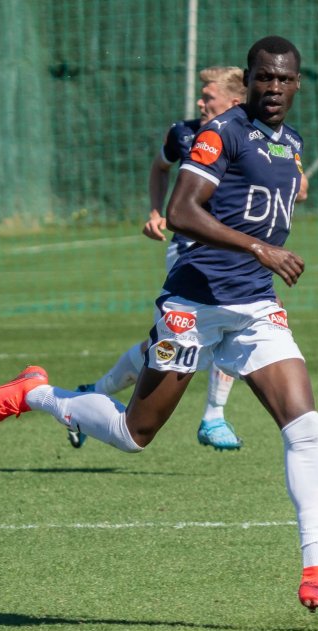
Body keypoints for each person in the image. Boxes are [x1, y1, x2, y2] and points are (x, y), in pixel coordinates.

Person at [0, 36, 318, 613]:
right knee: (132, 435)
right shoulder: (222, 133)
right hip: (192, 306)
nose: (273, 87)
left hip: (255, 307)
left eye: (284, 79)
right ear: (250, 80)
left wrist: (262, 243)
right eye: (264, 77)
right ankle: (37, 393)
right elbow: (181, 211)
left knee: (305, 426)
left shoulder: (290, 142)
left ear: (297, 84)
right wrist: (259, 247)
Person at [68, 66, 251, 453]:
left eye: (209, 97)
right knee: (219, 325)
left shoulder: (253, 138)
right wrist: (156, 212)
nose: (200, 102)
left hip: (235, 254)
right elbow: (160, 167)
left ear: (234, 102)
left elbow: (295, 184)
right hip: (191, 251)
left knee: (174, 344)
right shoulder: (184, 134)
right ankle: (213, 417)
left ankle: (93, 393)